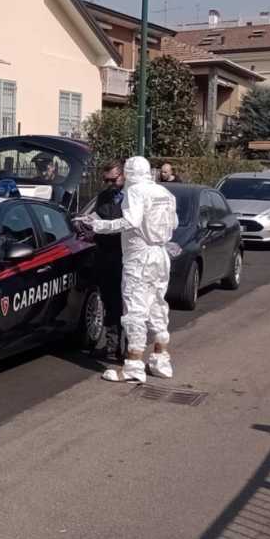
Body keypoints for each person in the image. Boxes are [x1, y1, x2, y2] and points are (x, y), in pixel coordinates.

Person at [78, 156, 177, 383]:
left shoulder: (135, 192)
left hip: (139, 256)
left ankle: (133, 365)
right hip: (160, 254)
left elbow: (130, 221)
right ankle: (160, 359)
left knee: (135, 311)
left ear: (129, 173)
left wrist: (98, 225)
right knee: (158, 306)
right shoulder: (163, 192)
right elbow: (174, 223)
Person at [91, 160, 126, 360]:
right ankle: (112, 344)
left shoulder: (133, 197)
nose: (110, 184)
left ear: (123, 175)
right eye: (106, 181)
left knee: (127, 304)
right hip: (105, 255)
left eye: (113, 180)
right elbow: (98, 218)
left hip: (126, 257)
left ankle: (129, 348)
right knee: (110, 302)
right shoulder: (104, 196)